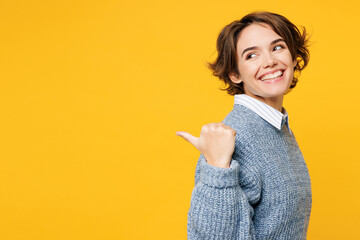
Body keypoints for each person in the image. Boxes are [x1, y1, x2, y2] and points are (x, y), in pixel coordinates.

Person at [176, 11, 312, 240]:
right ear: (234, 73)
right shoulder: (237, 137)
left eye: (277, 47)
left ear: (294, 56)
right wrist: (218, 169)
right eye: (251, 56)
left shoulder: (277, 126)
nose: (270, 61)